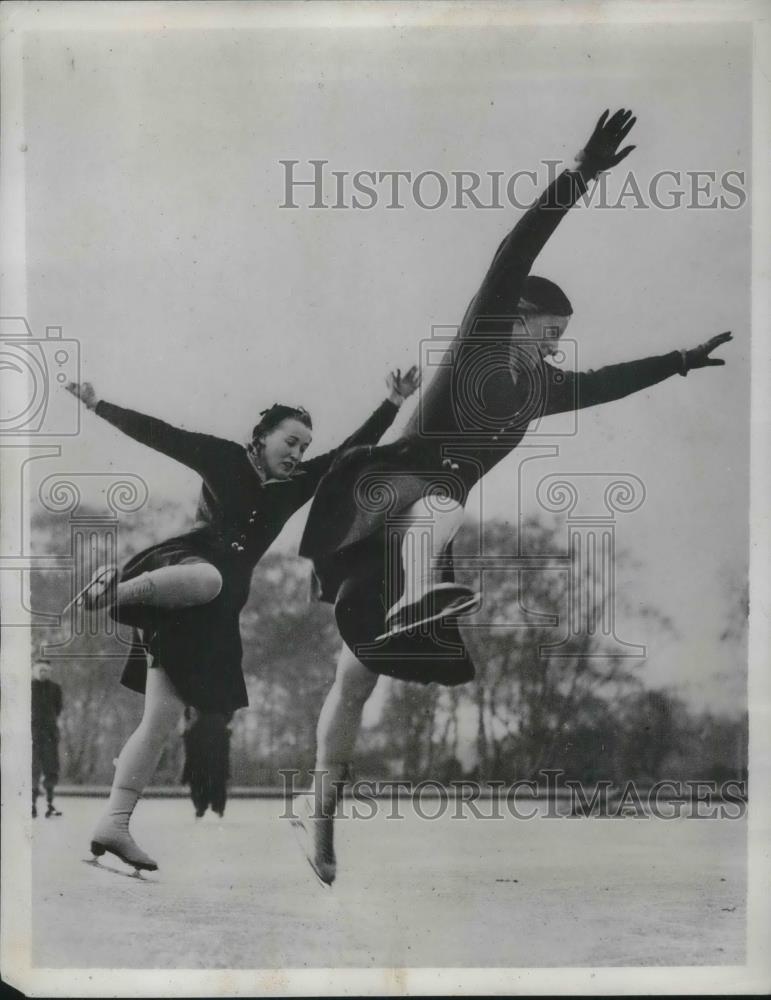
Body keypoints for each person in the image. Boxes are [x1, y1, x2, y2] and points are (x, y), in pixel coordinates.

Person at [293, 109, 733, 885]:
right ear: (515, 320)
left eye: (561, 337)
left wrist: (678, 361)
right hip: (380, 491)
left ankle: (319, 812)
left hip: (418, 529)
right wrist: (581, 171)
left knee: (355, 677)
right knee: (441, 500)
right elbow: (515, 247)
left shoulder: (538, 389)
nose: (555, 347)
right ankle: (412, 598)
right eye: (547, 331)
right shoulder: (477, 345)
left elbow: (607, 383)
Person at [64, 365, 420, 873]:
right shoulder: (224, 458)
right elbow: (163, 435)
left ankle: (113, 823)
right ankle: (111, 594)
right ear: (261, 438)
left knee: (162, 720)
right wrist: (99, 406)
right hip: (183, 572)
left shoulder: (293, 487)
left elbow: (349, 452)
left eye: (302, 447)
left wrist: (393, 403)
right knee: (208, 579)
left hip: (212, 612)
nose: (296, 455)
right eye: (290, 442)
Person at [181, 707, 232, 819]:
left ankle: (203, 805)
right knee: (215, 773)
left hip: (204, 731)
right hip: (215, 730)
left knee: (199, 773)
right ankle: (216, 806)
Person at [31, 659, 64, 818]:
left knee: (51, 770)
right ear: (34, 671)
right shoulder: (28, 687)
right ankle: (32, 805)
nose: (43, 673)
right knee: (33, 770)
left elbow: (58, 709)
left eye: (46, 670)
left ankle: (50, 804)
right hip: (32, 735)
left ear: (49, 672)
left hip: (50, 735)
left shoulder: (55, 688)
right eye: (40, 670)